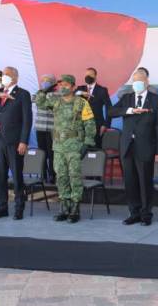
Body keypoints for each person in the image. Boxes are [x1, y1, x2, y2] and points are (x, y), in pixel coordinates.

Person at [109, 69, 158, 226]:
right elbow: (111, 112)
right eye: (134, 81)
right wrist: (128, 110)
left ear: (147, 82)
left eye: (140, 80)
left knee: (145, 182)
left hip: (146, 147)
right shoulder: (127, 98)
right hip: (127, 147)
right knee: (130, 182)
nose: (137, 83)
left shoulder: (156, 100)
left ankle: (146, 214)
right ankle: (134, 212)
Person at [36, 74, 96, 223]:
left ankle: (75, 208)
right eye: (61, 85)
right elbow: (39, 103)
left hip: (75, 146)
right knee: (61, 176)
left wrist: (87, 144)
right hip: (58, 146)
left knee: (74, 176)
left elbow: (90, 124)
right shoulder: (55, 101)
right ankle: (64, 206)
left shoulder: (81, 103)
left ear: (73, 87)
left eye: (66, 85)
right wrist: (45, 89)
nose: (63, 87)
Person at [0, 67, 33, 220]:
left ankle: (19, 207)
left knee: (17, 176)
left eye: (8, 75)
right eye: (3, 74)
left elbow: (27, 120)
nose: (4, 77)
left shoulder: (23, 94)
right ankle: (2, 206)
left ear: (15, 78)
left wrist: (23, 141)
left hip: (14, 141)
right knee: (0, 175)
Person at [75, 67, 112, 147]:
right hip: (81, 126)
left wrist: (105, 124)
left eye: (90, 75)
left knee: (95, 149)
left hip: (97, 125)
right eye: (86, 75)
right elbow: (71, 95)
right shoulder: (80, 89)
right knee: (81, 150)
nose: (88, 77)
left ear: (95, 76)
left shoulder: (102, 90)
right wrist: (81, 92)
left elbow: (109, 108)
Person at [33, 74, 57, 183]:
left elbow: (49, 103)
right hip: (40, 128)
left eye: (48, 81)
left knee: (52, 153)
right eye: (43, 81)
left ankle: (52, 175)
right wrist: (43, 93)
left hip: (52, 129)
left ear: (53, 83)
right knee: (42, 152)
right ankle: (43, 174)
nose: (45, 82)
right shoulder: (39, 93)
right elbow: (33, 99)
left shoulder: (57, 95)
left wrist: (46, 95)